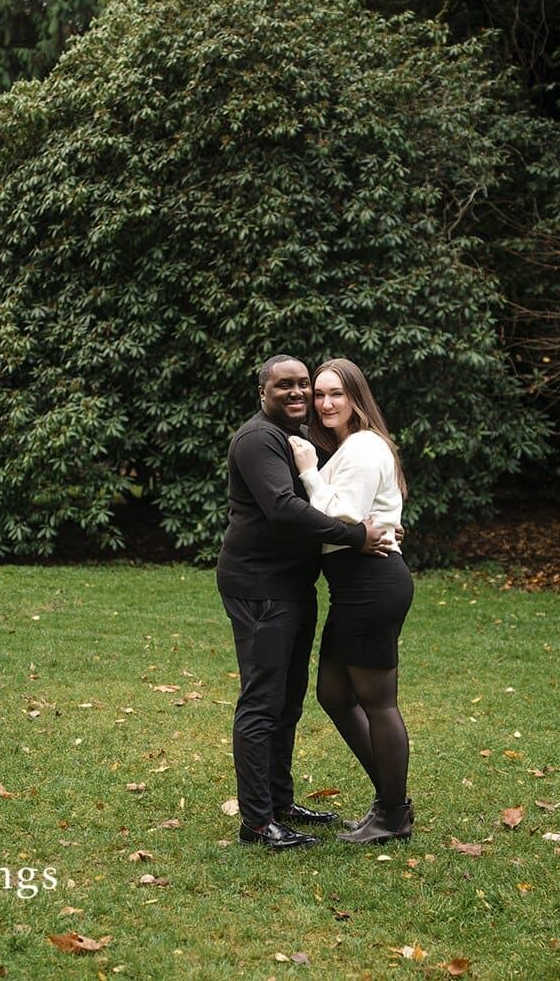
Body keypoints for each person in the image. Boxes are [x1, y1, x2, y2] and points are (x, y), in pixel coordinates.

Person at [217, 355, 394, 850]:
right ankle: (256, 823)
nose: (299, 395)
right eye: (286, 386)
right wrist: (354, 535)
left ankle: (278, 801)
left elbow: (333, 493)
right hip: (259, 586)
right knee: (262, 702)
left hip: (293, 586)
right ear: (262, 393)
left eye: (305, 386)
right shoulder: (257, 439)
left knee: (288, 701)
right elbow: (283, 508)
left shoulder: (296, 440)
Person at [287, 357, 415, 844]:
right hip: (355, 586)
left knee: (378, 702)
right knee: (334, 694)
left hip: (371, 584)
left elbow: (343, 515)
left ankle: (393, 813)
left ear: (356, 397)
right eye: (319, 395)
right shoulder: (351, 447)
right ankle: (389, 800)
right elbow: (370, 513)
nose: (324, 403)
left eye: (335, 393)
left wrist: (307, 472)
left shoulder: (362, 445)